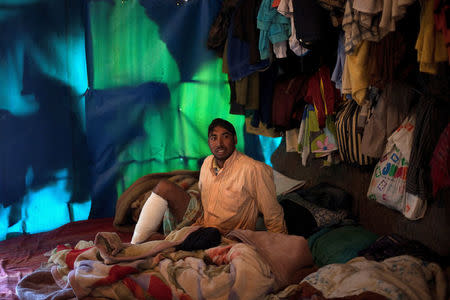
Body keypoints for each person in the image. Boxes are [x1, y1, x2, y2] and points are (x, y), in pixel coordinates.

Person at [131, 118, 287, 244]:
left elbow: (273, 215)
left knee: (161, 242)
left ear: (235, 139)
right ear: (209, 142)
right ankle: (135, 244)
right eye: (214, 138)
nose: (219, 143)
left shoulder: (254, 169)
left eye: (225, 136)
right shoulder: (207, 163)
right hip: (202, 223)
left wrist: (280, 247)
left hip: (227, 237)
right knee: (164, 187)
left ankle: (169, 242)